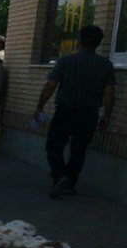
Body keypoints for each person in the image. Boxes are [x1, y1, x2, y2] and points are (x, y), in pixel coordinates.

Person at [35, 25, 115, 198]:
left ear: (79, 40)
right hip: (89, 113)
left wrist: (40, 106)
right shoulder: (106, 65)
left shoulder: (66, 61)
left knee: (54, 146)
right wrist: (107, 116)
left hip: (66, 110)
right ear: (99, 43)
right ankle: (70, 183)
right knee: (79, 149)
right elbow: (109, 93)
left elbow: (51, 85)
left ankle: (60, 176)